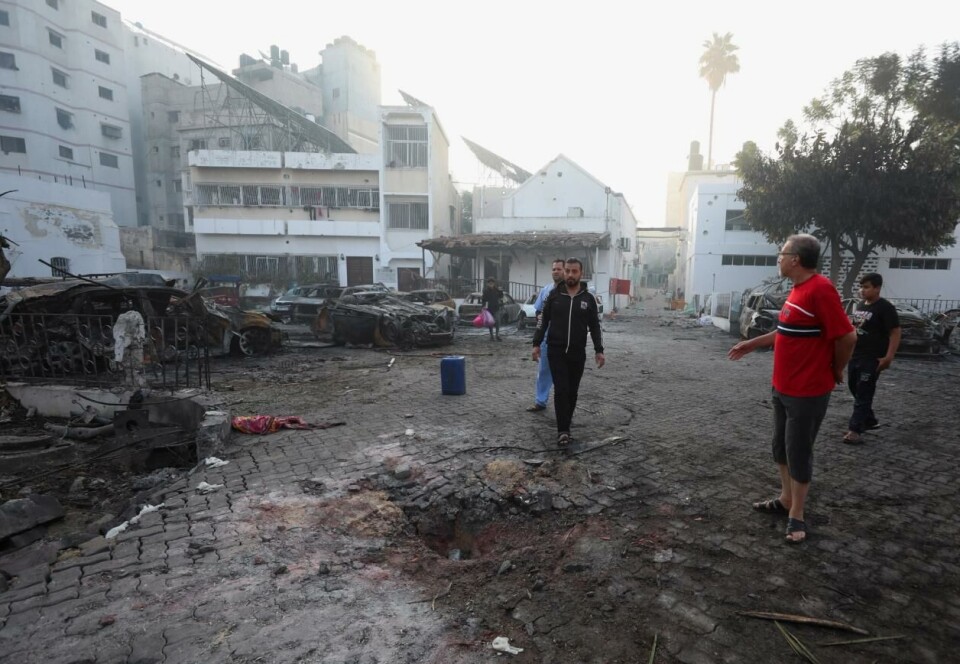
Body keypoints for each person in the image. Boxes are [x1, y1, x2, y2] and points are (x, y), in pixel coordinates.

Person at [728, 234, 856, 544]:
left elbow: (848, 337)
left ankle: (796, 514)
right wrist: (751, 344)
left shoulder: (820, 290)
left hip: (807, 391)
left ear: (796, 259)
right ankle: (785, 498)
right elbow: (784, 331)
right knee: (780, 448)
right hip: (783, 386)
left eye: (782, 253)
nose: (779, 258)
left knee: (799, 452)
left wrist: (836, 368)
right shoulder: (797, 291)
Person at [531, 258, 605, 447]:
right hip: (555, 351)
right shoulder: (554, 296)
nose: (570, 275)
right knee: (561, 390)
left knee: (572, 392)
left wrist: (599, 350)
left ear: (581, 273)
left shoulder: (588, 299)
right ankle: (562, 430)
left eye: (574, 271)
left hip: (577, 353)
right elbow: (542, 321)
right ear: (564, 273)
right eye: (568, 271)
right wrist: (536, 343)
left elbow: (595, 326)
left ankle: (566, 422)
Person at [843, 273, 901, 444]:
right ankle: (869, 420)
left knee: (864, 392)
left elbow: (895, 332)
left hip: (872, 358)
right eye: (861, 287)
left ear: (877, 288)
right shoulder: (861, 305)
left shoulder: (885, 307)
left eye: (866, 287)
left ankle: (855, 430)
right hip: (856, 356)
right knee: (854, 387)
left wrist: (889, 356)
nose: (862, 290)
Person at [527, 259, 566, 412]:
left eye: (559, 269)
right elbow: (538, 311)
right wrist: (540, 319)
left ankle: (562, 404)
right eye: (554, 269)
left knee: (563, 372)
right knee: (544, 370)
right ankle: (540, 401)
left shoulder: (569, 291)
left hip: (563, 338)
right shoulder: (546, 290)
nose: (556, 271)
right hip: (546, 338)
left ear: (565, 271)